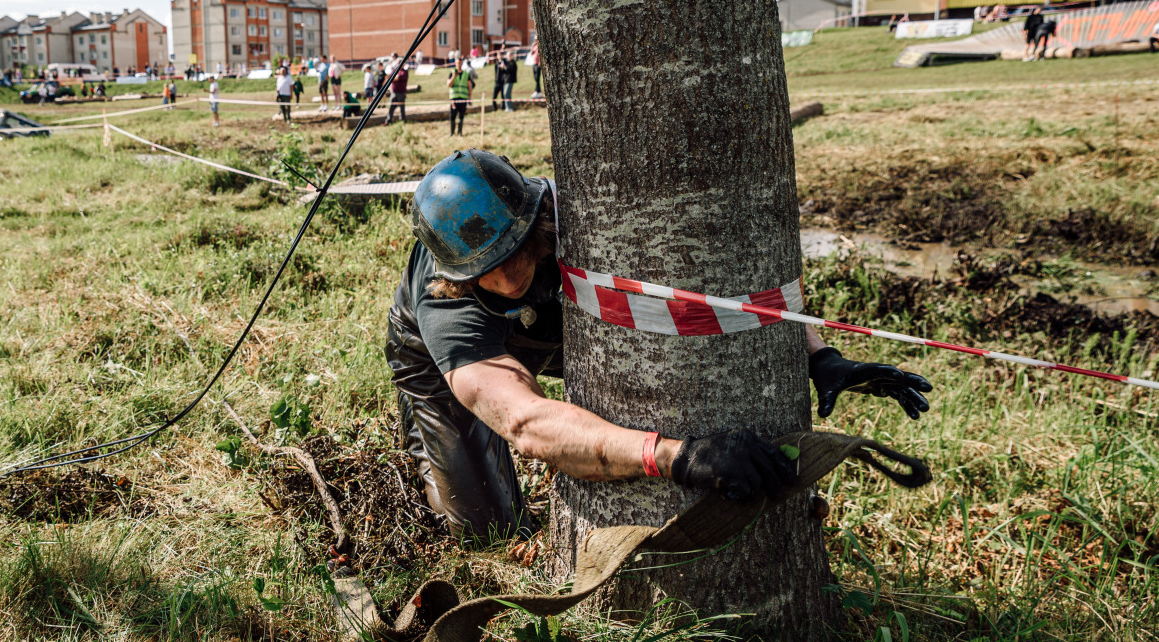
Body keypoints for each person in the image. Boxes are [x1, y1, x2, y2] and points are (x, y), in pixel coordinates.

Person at [388, 150, 933, 539]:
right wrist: (677, 457)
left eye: (516, 253)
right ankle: (430, 441)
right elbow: (527, 424)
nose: (508, 278)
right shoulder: (446, 306)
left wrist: (818, 354)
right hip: (446, 365)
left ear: (536, 220)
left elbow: (707, 295)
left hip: (556, 328)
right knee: (485, 528)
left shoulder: (570, 215)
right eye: (489, 269)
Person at [448, 56, 472, 136]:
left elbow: (469, 86)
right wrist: (454, 76)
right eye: (457, 62)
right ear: (455, 63)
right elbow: (449, 84)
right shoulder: (451, 72)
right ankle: (452, 132)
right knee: (453, 116)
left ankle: (460, 133)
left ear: (462, 63)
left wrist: (470, 97)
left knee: (461, 115)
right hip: (454, 98)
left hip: (463, 98)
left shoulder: (466, 74)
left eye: (460, 62)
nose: (459, 64)